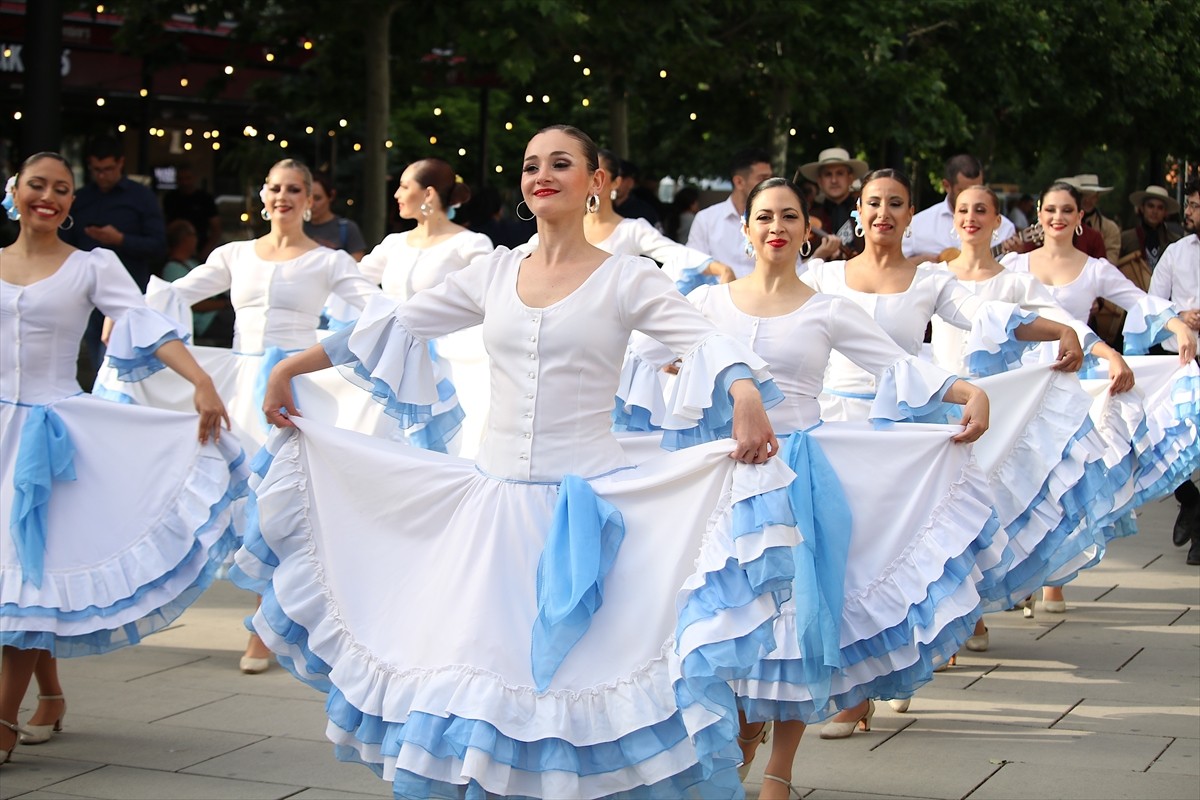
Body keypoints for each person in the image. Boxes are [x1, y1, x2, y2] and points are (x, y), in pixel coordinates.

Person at [239, 125, 795, 798]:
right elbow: (395, 324)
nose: (543, 174)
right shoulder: (495, 271)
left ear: (596, 181)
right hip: (493, 513)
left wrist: (744, 393)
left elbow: (702, 337)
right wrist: (295, 364)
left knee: (575, 688)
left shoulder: (626, 278)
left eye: (562, 163)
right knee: (479, 685)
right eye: (532, 164)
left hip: (586, 509)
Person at [624, 178, 1000, 797]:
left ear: (807, 231)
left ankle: (780, 769)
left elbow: (899, 366)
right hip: (719, 481)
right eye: (764, 216)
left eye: (789, 217)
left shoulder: (827, 307)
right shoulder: (708, 306)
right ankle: (743, 734)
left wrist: (970, 391)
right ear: (745, 230)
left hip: (799, 474)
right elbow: (631, 349)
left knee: (799, 621)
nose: (776, 226)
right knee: (724, 617)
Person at [91, 158, 392, 674]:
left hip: (295, 392)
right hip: (238, 387)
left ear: (310, 199)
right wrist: (127, 318)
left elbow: (376, 312)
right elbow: (175, 294)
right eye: (275, 187)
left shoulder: (330, 261)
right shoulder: (235, 254)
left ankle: (265, 627)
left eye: (295, 189)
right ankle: (265, 621)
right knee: (241, 499)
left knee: (282, 505)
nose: (284, 197)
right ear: (262, 194)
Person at [0, 152, 245, 766]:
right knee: (21, 579)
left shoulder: (91, 266)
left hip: (55, 436)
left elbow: (143, 322)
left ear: (71, 204)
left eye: (62, 189)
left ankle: (2, 718)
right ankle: (50, 696)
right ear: (15, 190)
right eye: (38, 185)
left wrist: (202, 382)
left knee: (34, 575)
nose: (48, 197)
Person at [1002, 181, 1198, 605]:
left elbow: (1139, 301)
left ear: (1079, 218)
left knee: (1063, 480)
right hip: (1021, 383)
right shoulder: (1015, 267)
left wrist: (1177, 326)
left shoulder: (1093, 269)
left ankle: (1054, 575)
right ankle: (1020, 577)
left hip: (1075, 383)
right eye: (1050, 209)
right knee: (1020, 479)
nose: (1057, 217)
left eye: (1066, 210)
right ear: (1038, 213)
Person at [353, 158, 493, 455]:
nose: (397, 195)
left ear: (428, 194)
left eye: (404, 186)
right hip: (392, 357)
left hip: (450, 361)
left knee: (450, 450)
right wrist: (382, 315)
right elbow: (352, 283)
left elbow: (490, 295)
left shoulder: (470, 244)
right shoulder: (394, 243)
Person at [526, 149, 737, 293]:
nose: (591, 181)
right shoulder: (561, 230)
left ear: (615, 182)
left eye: (598, 174)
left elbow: (677, 254)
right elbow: (521, 258)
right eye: (584, 173)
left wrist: (721, 269)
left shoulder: (632, 230)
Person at [61, 135, 167, 382]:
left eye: (108, 169)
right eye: (97, 170)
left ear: (120, 163)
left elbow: (158, 246)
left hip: (127, 294)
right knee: (91, 363)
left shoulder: (140, 197)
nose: (102, 175)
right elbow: (65, 243)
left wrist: (120, 239)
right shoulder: (81, 199)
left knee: (117, 369)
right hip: (84, 295)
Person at [1147, 179, 1200, 564]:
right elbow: (1151, 306)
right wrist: (1179, 316)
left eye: (1197, 206)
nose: (1190, 212)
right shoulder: (1177, 252)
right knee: (1167, 440)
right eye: (1190, 204)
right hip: (1181, 360)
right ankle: (1190, 500)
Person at [904, 154, 1017, 262]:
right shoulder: (917, 224)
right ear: (947, 186)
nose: (972, 196)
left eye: (978, 188)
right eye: (963, 191)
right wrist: (919, 263)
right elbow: (892, 267)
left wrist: (1016, 254)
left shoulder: (1005, 228)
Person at [687, 148, 774, 277]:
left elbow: (794, 268)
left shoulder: (776, 221)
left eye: (771, 178)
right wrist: (722, 271)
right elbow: (692, 262)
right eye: (762, 178)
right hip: (719, 293)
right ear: (739, 182)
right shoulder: (706, 219)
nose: (769, 184)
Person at [162, 219, 233, 346]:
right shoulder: (172, 268)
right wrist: (224, 304)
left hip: (218, 316)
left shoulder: (192, 263)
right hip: (207, 322)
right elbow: (192, 303)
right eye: (193, 235)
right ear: (185, 239)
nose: (196, 239)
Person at [799, 147, 869, 257]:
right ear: (820, 181)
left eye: (840, 173)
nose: (834, 180)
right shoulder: (811, 217)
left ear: (850, 178)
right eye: (828, 174)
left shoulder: (866, 212)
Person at [162, 164, 222, 260]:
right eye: (181, 179)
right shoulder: (170, 198)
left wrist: (205, 252)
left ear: (194, 178)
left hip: (200, 249)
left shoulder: (205, 198)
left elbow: (216, 229)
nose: (184, 182)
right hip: (175, 251)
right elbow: (166, 224)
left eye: (187, 178)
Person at [303, 172, 366, 261]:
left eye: (317, 198)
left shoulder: (347, 228)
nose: (311, 204)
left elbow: (357, 266)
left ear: (331, 196)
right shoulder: (297, 228)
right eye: (308, 199)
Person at [1120, 185, 1185, 270]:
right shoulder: (1126, 239)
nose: (1155, 212)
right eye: (1150, 206)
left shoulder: (1175, 241)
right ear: (1142, 208)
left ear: (1165, 212)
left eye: (1160, 208)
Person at [1076, 173, 1122, 264]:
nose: (1087, 200)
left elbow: (1109, 265)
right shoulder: (1064, 225)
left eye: (1092, 196)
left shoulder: (1110, 228)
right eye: (1084, 195)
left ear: (1097, 197)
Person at [612, 159, 662, 228]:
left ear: (630, 183)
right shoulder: (599, 208)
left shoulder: (645, 211)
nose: (615, 183)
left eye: (620, 178)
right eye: (612, 178)